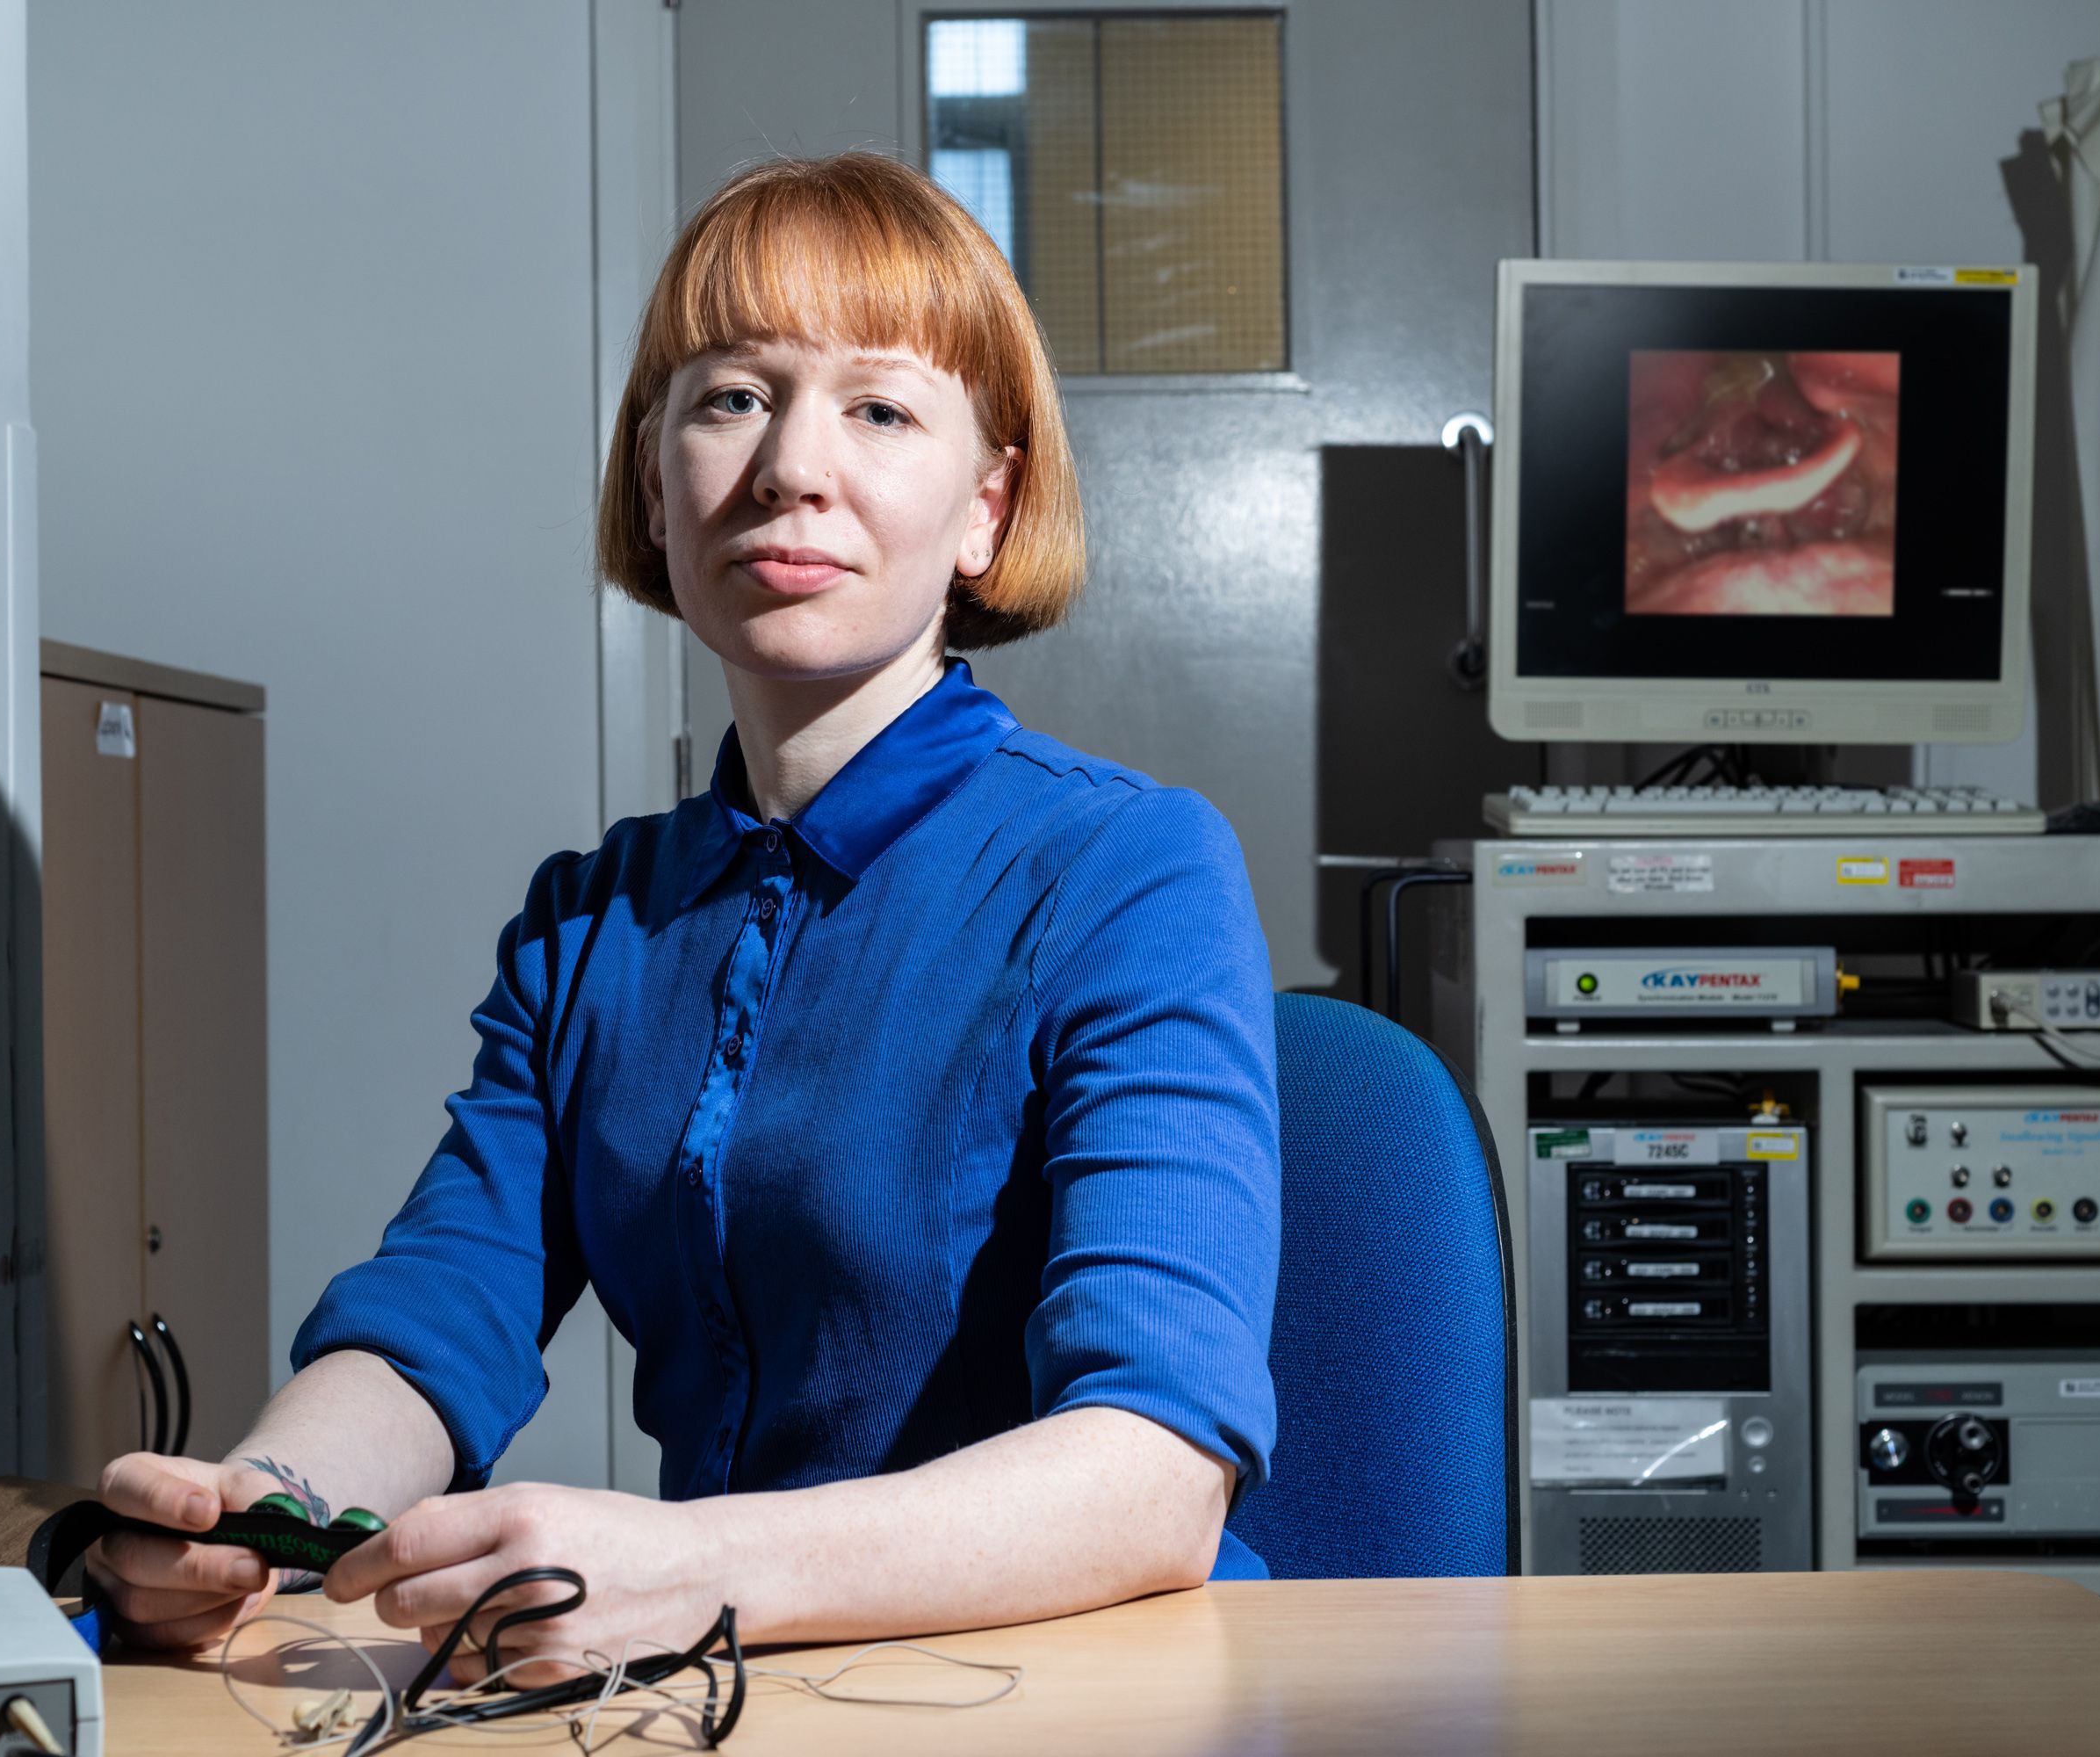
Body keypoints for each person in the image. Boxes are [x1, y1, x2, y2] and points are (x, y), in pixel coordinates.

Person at [85, 152, 1280, 1680]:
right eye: (730, 397)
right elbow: (439, 1316)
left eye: (881, 408)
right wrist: (259, 1502)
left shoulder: (1133, 870)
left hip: (1077, 1685)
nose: (791, 465)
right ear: (653, 485)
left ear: (986, 512)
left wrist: (695, 1564)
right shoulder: (591, 922)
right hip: (734, 1686)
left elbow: (1155, 1476)